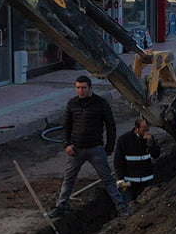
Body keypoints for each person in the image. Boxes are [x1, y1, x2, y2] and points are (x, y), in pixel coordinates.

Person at [50, 75, 128, 217]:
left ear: (90, 87)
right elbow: (66, 126)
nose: (81, 91)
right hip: (76, 150)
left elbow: (111, 125)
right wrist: (67, 144)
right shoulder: (72, 104)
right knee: (69, 178)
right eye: (78, 88)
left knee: (108, 180)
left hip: (96, 149)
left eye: (84, 88)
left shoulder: (101, 103)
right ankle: (60, 207)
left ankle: (122, 208)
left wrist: (109, 147)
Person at [114, 115, 160, 202]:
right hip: (129, 181)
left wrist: (151, 144)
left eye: (147, 130)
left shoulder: (149, 139)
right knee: (129, 203)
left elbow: (156, 155)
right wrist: (121, 182)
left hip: (147, 180)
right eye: (144, 130)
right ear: (137, 128)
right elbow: (118, 162)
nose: (146, 133)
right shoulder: (124, 140)